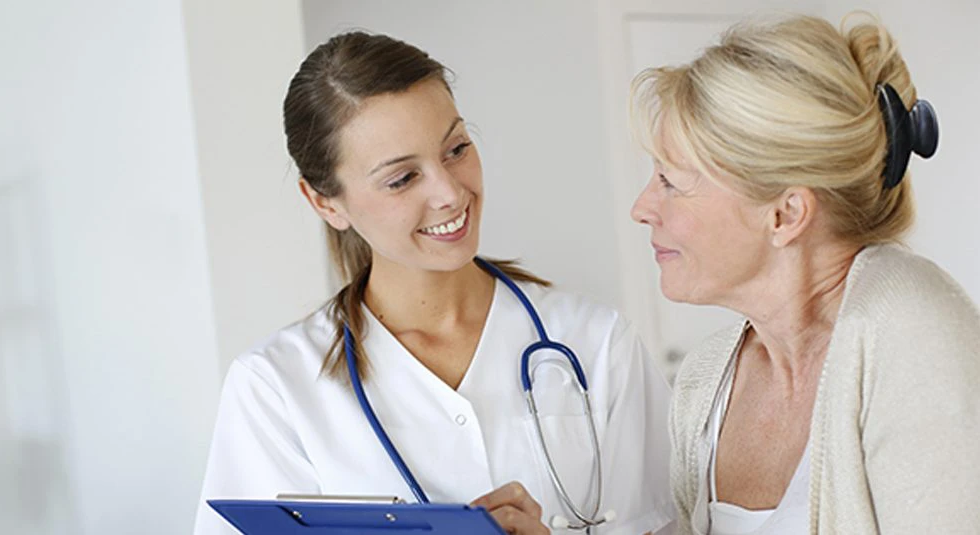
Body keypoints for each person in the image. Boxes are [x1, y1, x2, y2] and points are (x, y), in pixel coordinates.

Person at [193, 31, 674, 535]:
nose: (450, 193)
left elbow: (667, 524)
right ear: (324, 202)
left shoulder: (596, 344)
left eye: (456, 148)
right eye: (402, 179)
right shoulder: (276, 388)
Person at [628, 12, 980, 534]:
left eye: (671, 181)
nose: (642, 207)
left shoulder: (915, 335)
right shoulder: (706, 384)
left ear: (786, 214)